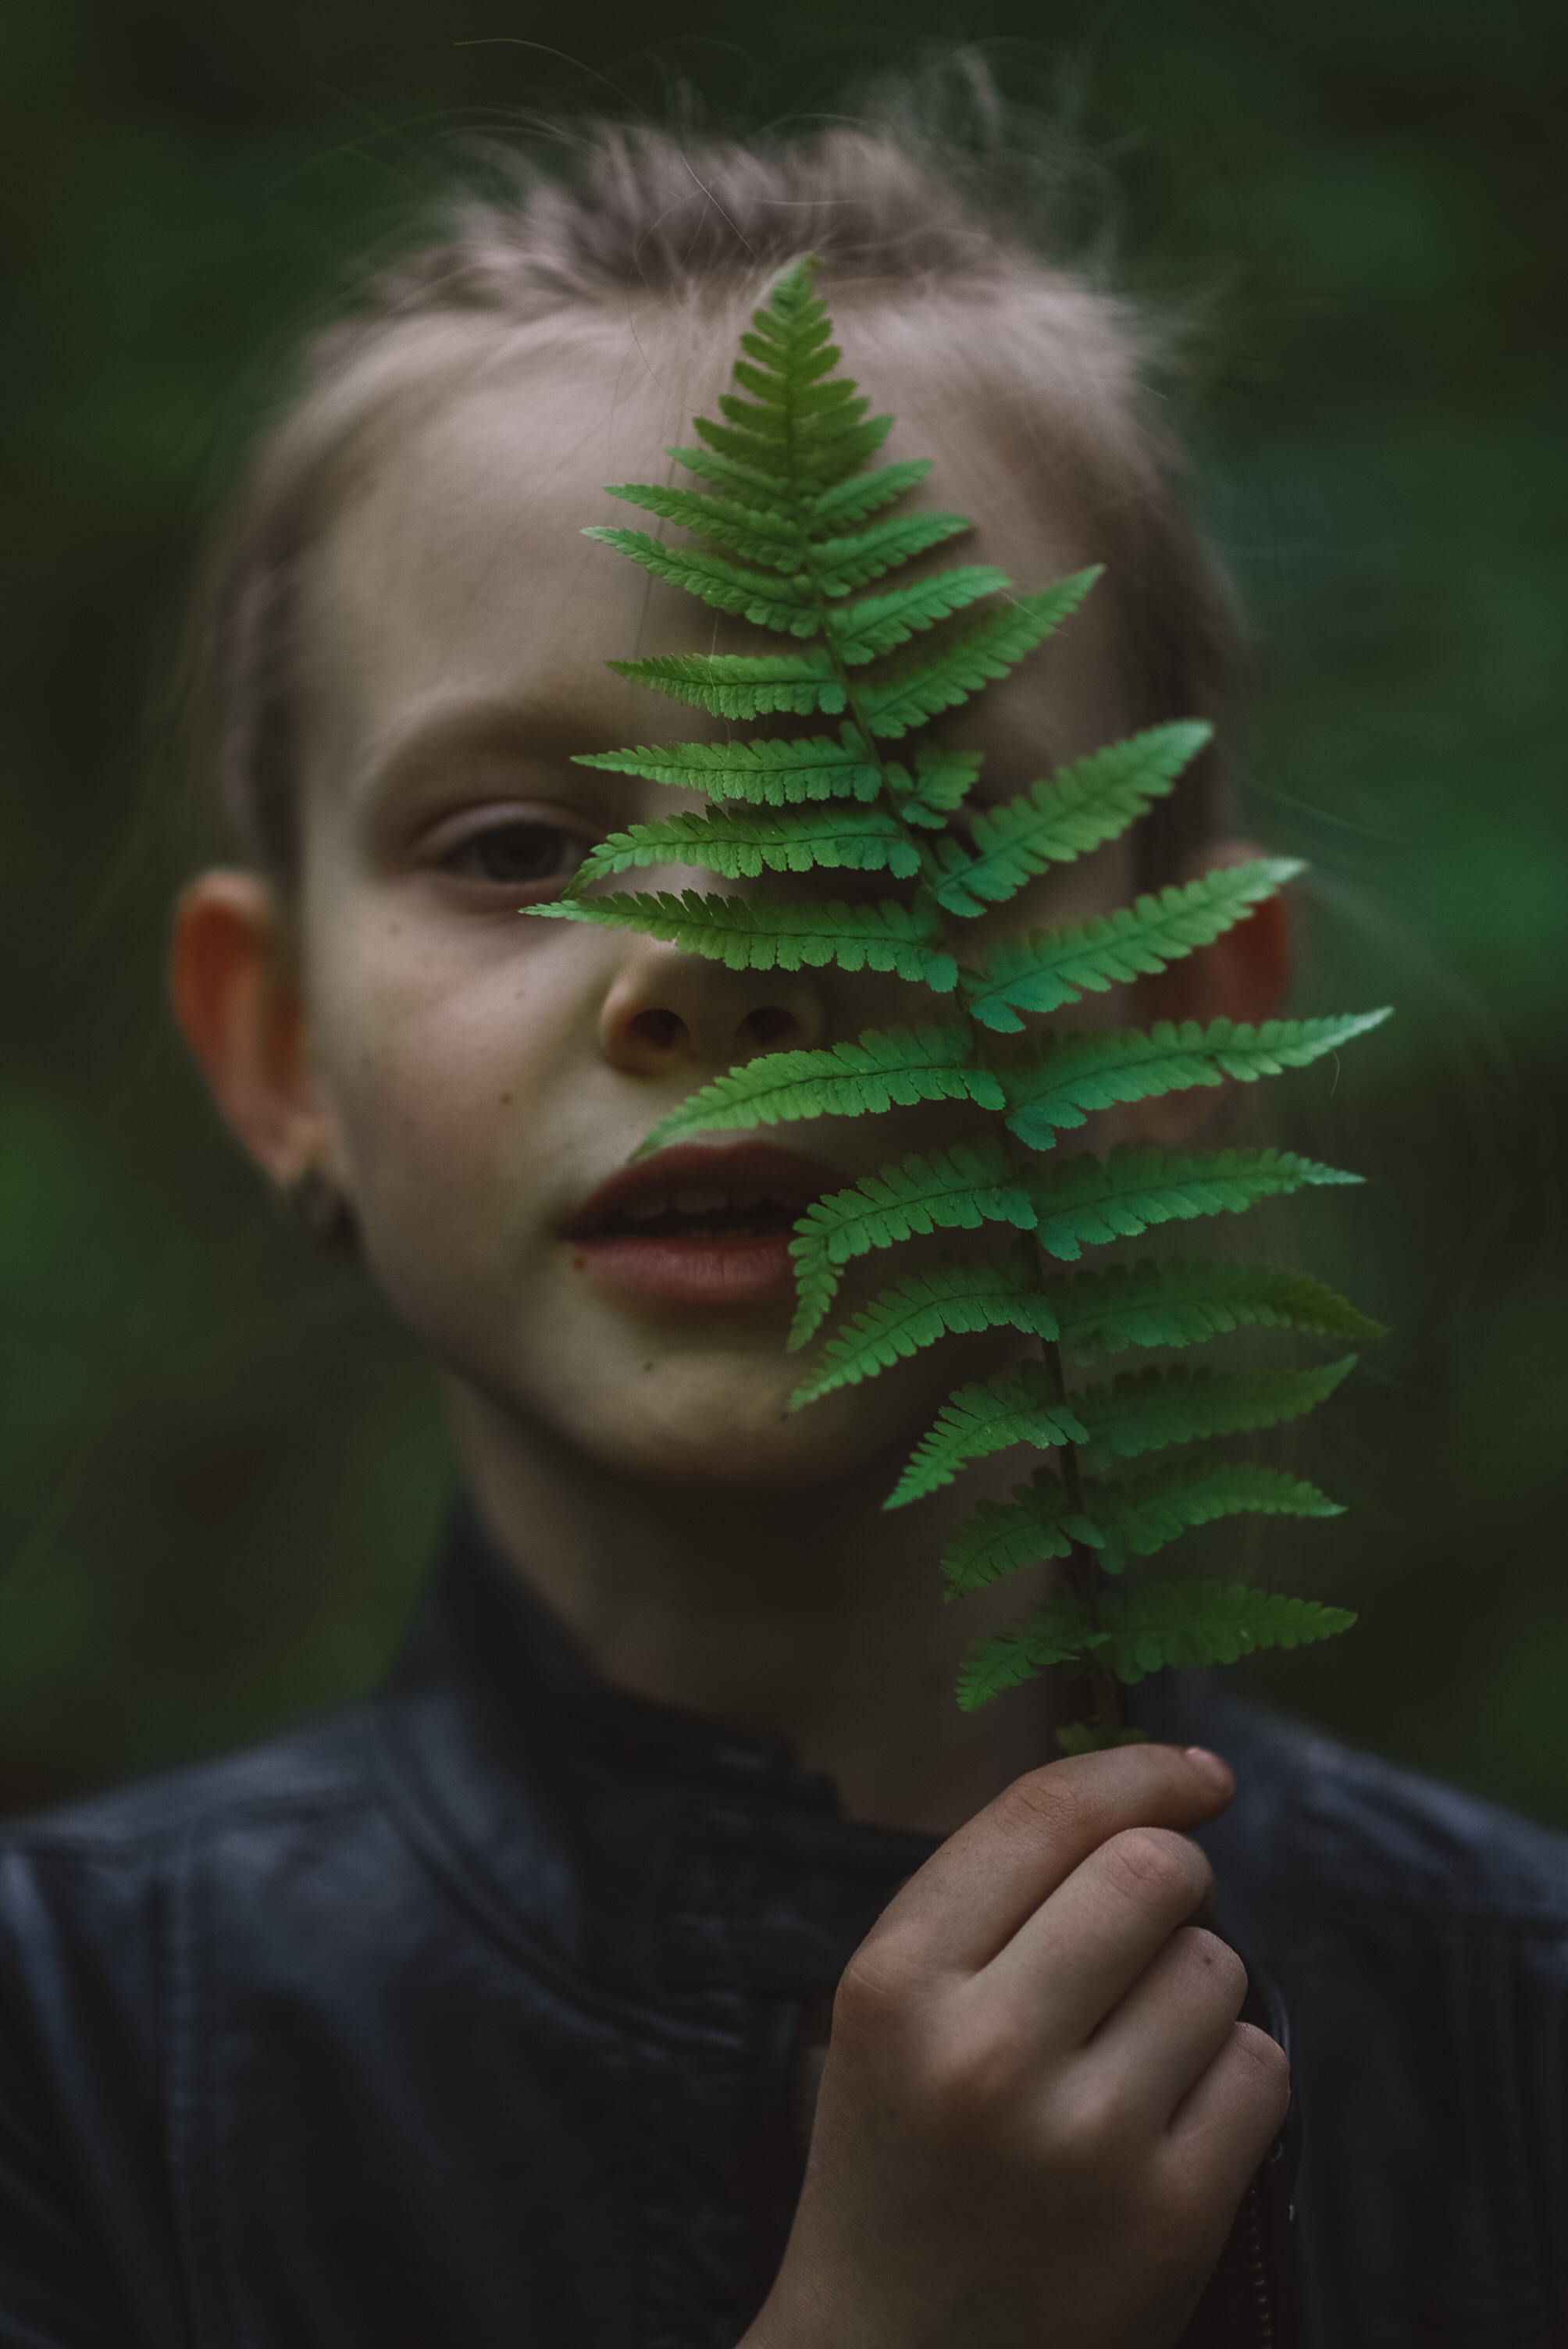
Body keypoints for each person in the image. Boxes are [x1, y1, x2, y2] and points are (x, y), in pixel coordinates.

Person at [1, 112, 1564, 2349]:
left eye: (914, 814)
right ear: (278, 1054)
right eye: (521, 845)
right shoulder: (63, 2057)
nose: (720, 965)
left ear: (1193, 1009)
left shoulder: (1524, 2032)